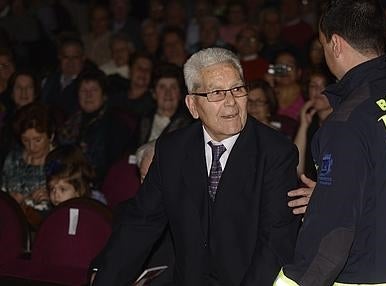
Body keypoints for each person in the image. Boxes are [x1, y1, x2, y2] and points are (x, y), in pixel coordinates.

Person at [91, 47, 300, 285]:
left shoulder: (275, 152)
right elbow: (140, 226)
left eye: (238, 89)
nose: (231, 102)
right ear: (192, 105)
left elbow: (275, 242)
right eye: (217, 93)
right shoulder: (172, 150)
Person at [275, 0, 386, 284]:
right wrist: (336, 192)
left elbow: (331, 235)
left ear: (336, 44)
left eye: (322, 44)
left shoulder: (347, 122)